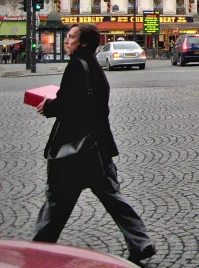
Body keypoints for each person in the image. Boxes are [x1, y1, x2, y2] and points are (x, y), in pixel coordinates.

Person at [33, 23, 156, 266]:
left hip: (75, 149)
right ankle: (141, 243)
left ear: (84, 43)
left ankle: (36, 251)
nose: (67, 41)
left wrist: (49, 107)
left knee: (56, 203)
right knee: (113, 199)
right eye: (67, 37)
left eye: (71, 37)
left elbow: (69, 105)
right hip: (97, 148)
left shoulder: (76, 67)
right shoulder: (94, 67)